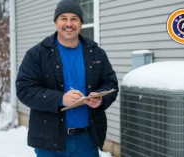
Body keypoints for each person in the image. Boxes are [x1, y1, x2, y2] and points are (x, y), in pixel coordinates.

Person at [15, 0, 119, 156]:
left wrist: (101, 99)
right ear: (56, 22)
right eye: (63, 18)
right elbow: (24, 89)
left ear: (81, 23)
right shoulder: (37, 54)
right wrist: (60, 99)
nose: (69, 23)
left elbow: (110, 83)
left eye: (74, 18)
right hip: (49, 140)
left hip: (87, 139)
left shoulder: (95, 53)